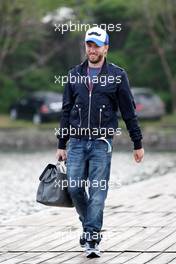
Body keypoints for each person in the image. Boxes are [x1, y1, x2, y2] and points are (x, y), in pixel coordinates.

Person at [56, 26, 144, 258]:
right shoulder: (74, 74)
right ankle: (88, 226)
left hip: (101, 144)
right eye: (89, 45)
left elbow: (128, 112)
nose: (92, 49)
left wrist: (137, 142)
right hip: (75, 142)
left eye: (96, 45)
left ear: (106, 47)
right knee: (75, 189)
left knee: (97, 192)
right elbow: (66, 111)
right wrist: (61, 143)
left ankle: (92, 238)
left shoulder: (118, 75)